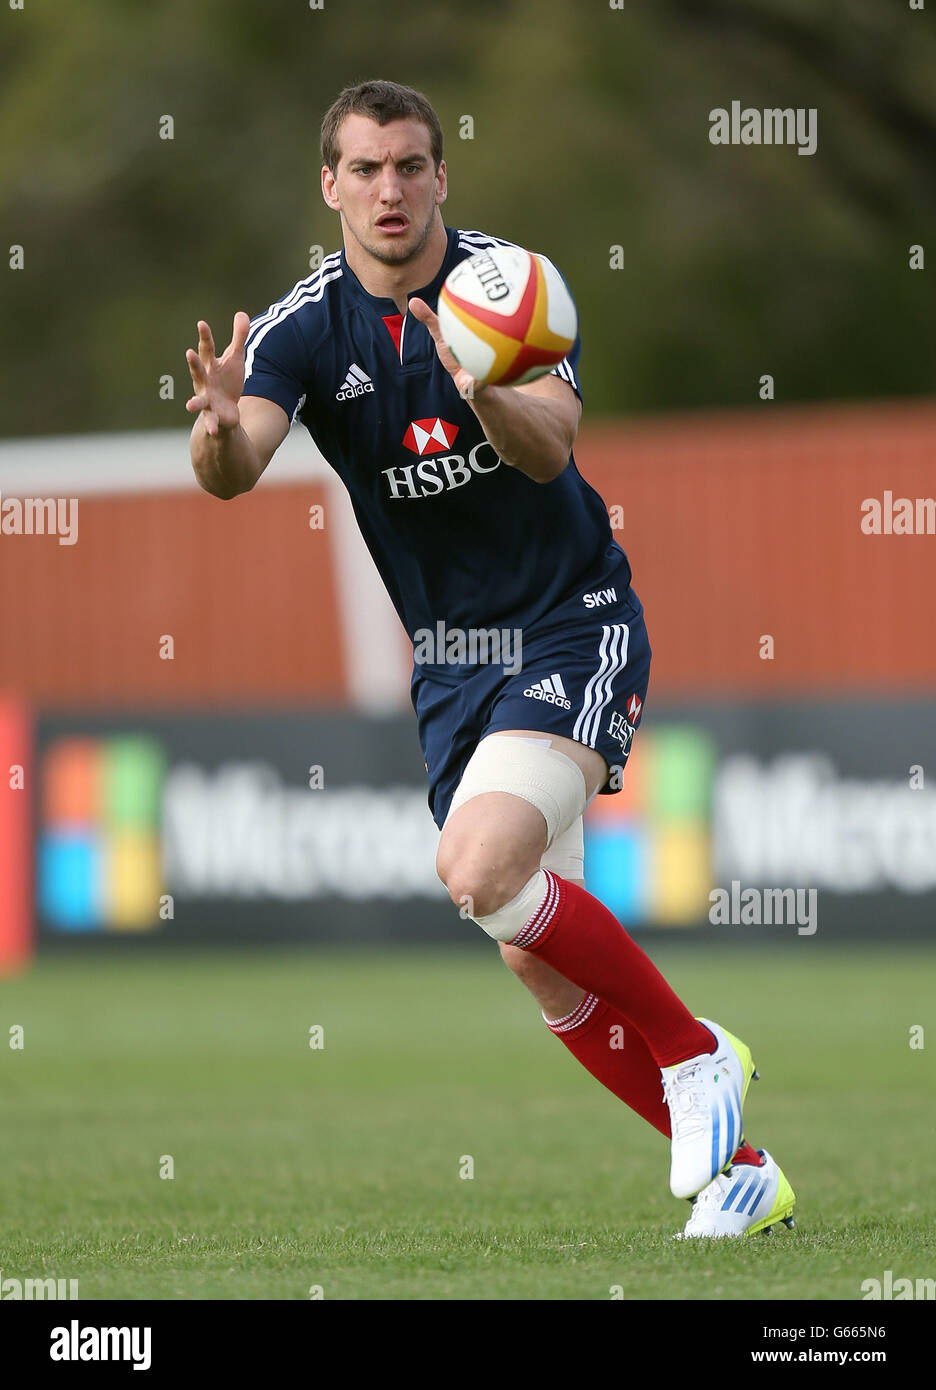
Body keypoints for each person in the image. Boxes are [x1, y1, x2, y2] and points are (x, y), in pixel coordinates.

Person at [186, 79, 794, 1239]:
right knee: (532, 952)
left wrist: (485, 385)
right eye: (365, 169)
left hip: (572, 618)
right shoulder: (304, 326)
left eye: (410, 165)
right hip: (453, 666)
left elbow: (552, 445)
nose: (390, 189)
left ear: (441, 176)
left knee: (473, 870)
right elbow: (234, 469)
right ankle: (744, 1169)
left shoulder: (508, 285)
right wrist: (218, 426)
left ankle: (696, 1050)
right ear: (330, 187)